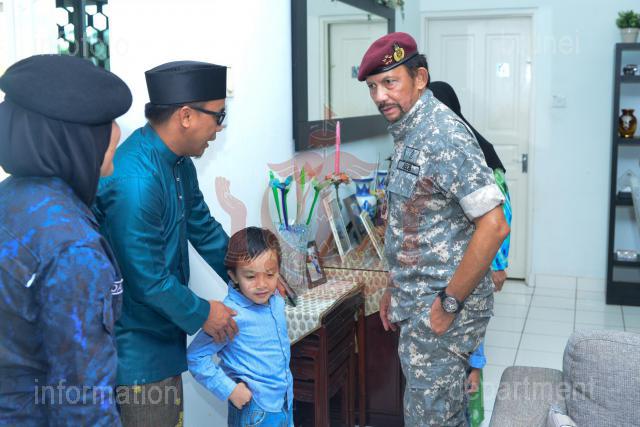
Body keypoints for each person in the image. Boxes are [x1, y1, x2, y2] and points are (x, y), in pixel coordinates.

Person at [357, 33, 510, 425]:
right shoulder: (411, 130)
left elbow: (494, 226)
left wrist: (448, 304)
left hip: (442, 307)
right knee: (439, 415)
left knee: (431, 419)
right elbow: (415, 219)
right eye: (373, 86)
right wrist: (395, 286)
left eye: (389, 82)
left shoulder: (443, 134)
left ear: (420, 78)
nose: (379, 96)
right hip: (419, 298)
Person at [94, 61, 237, 426]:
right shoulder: (136, 181)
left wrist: (247, 272)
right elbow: (147, 280)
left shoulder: (178, 163)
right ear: (186, 116)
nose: (220, 127)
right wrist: (204, 313)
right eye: (218, 116)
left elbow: (203, 228)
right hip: (137, 353)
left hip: (163, 335)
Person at [0, 54, 132, 425]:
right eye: (104, 125)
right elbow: (82, 400)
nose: (116, 133)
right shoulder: (73, 247)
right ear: (72, 140)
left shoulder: (11, 199)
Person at [430, 81, 514, 427]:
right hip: (453, 266)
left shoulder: (476, 154)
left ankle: (470, 417)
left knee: (470, 348)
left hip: (476, 263)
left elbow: (501, 217)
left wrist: (498, 264)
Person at [187, 227, 293, 427]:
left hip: (284, 402)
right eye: (251, 277)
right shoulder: (230, 315)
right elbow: (195, 357)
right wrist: (229, 389)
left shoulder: (277, 301)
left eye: (270, 274)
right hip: (255, 412)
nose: (262, 284)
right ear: (234, 276)